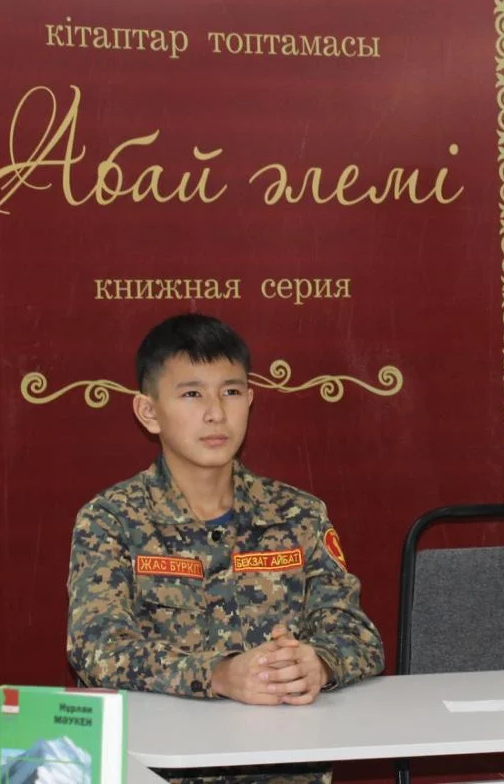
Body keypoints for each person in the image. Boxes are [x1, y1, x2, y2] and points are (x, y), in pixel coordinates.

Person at [67, 313, 384, 783]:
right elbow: (97, 649)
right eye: (192, 394)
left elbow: (358, 636)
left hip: (284, 770)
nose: (216, 413)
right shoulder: (112, 519)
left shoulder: (298, 514)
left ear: (250, 400)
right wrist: (217, 674)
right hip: (159, 772)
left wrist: (317, 664)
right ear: (149, 412)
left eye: (231, 391)